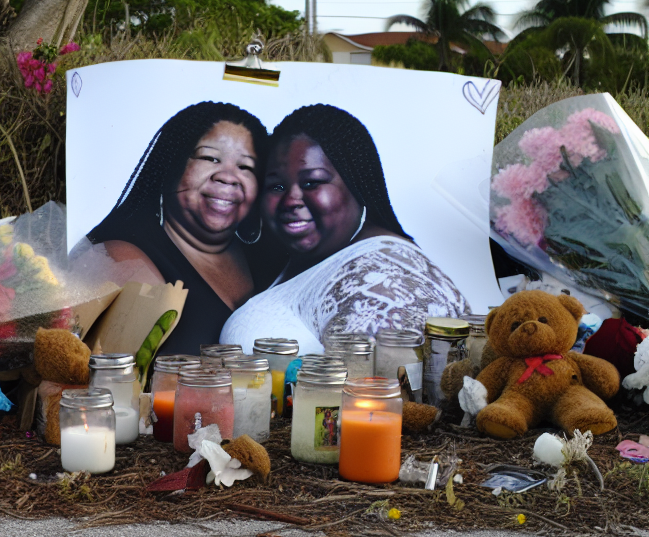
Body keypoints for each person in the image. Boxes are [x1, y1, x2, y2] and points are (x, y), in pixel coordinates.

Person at [221, 104, 468, 354]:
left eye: (312, 182)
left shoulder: (383, 277)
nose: (291, 199)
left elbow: (375, 387)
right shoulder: (318, 256)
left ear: (356, 184)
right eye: (276, 187)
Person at [87, 101, 284, 354]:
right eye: (210, 158)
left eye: (245, 167)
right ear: (172, 163)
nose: (227, 176)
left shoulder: (271, 263)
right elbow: (117, 379)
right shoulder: (123, 258)